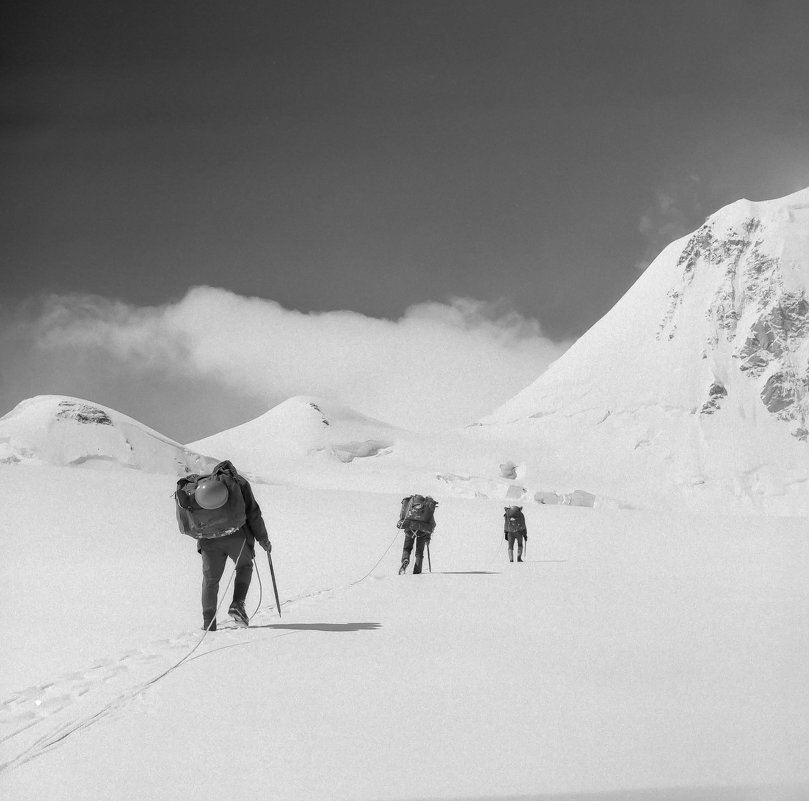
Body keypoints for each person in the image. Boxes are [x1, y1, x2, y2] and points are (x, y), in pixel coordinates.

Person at [175, 460, 271, 630]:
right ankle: (237, 604)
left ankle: (208, 624)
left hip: (208, 541)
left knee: (210, 581)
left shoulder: (197, 488)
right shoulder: (237, 482)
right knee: (244, 566)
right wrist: (262, 538)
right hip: (236, 536)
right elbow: (253, 513)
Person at [397, 494, 437, 574]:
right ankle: (417, 572)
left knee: (407, 548)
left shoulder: (409, 507)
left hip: (409, 530)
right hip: (422, 533)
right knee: (419, 552)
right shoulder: (427, 510)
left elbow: (402, 517)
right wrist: (428, 538)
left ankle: (405, 559)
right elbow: (431, 525)